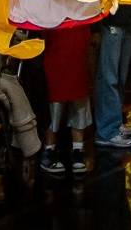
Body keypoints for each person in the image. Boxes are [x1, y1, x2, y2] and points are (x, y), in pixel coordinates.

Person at [40, 25, 93, 175]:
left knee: (79, 97)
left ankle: (78, 148)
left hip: (78, 35)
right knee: (54, 101)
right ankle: (49, 149)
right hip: (55, 37)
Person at [93, 1, 131, 149]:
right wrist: (95, 28)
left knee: (118, 78)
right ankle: (107, 130)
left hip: (125, 20)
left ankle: (114, 123)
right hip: (109, 21)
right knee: (109, 78)